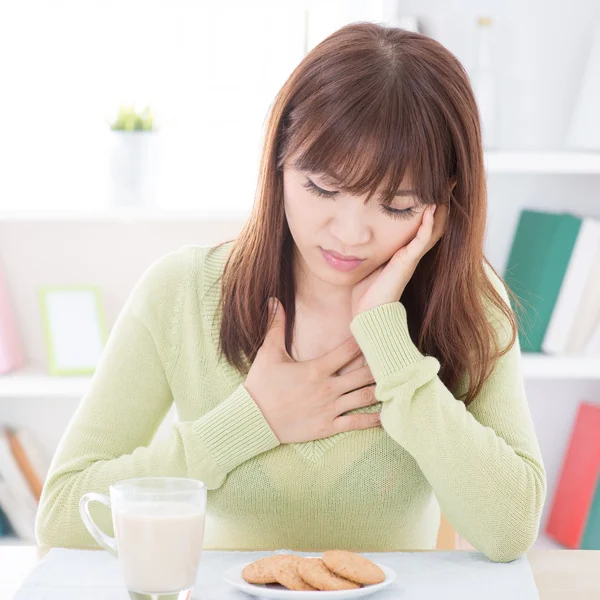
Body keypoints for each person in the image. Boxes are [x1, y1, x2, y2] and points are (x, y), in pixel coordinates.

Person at [36, 22, 546, 562]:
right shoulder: (181, 292)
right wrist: (249, 420)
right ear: (278, 163)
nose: (351, 234)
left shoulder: (465, 301)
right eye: (322, 188)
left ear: (442, 202)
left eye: (396, 206)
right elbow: (65, 511)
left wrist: (390, 346)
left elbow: (509, 529)